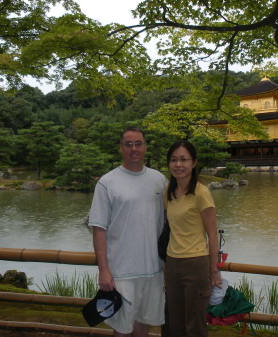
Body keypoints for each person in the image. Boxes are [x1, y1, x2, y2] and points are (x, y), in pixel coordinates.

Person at [88, 126, 166, 337]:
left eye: (138, 143)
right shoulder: (107, 182)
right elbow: (98, 228)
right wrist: (103, 269)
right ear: (121, 148)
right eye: (128, 144)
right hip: (121, 271)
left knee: (144, 327)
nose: (134, 149)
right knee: (122, 330)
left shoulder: (159, 180)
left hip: (153, 269)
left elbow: (171, 223)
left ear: (145, 147)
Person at [164, 140, 221, 337]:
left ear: (194, 163)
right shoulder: (168, 192)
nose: (178, 165)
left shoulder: (201, 193)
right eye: (173, 160)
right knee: (173, 323)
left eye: (183, 160)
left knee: (194, 325)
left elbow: (212, 235)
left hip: (196, 264)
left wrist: (213, 271)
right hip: (172, 263)